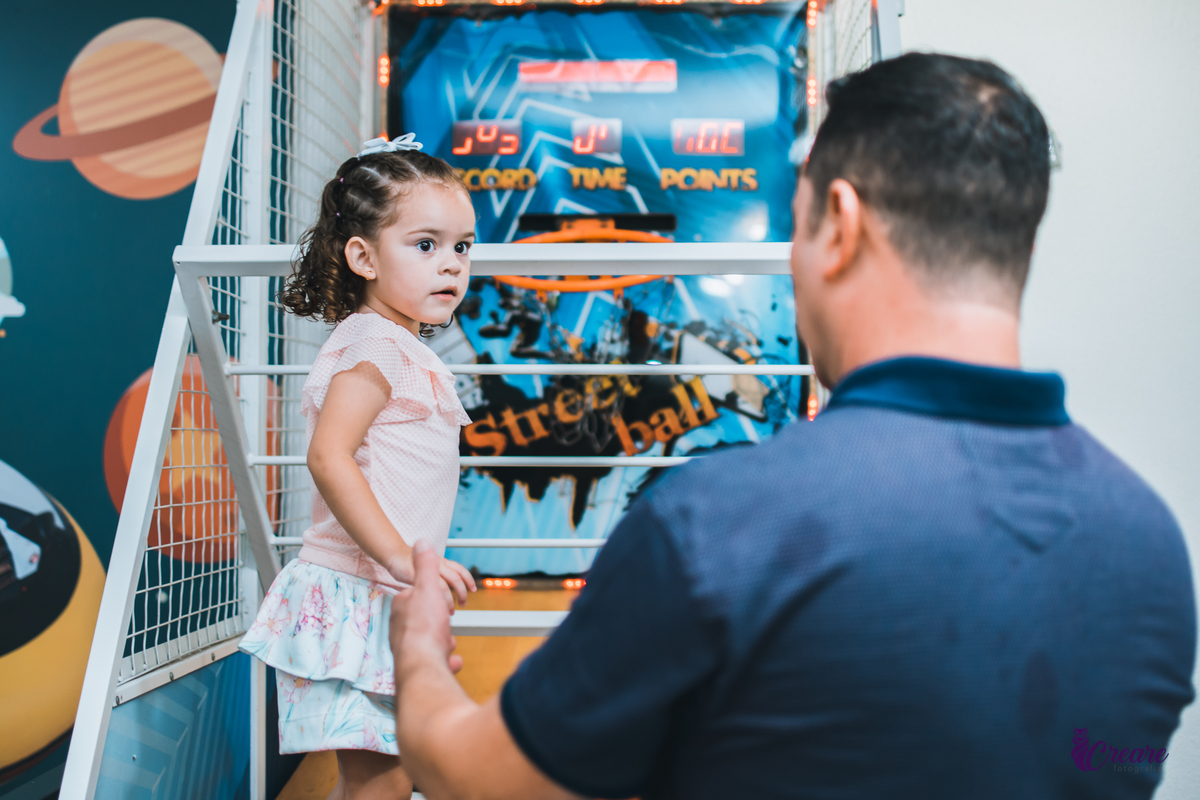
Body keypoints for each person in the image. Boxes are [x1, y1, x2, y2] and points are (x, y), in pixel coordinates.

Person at [390, 53, 1197, 800]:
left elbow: (471, 772)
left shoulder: (715, 523)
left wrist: (418, 645)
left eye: (799, 223)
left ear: (840, 224)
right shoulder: (1151, 548)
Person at [239, 134, 478, 800]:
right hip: (361, 593)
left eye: (463, 247)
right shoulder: (376, 343)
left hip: (379, 593)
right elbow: (328, 456)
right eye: (426, 245)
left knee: (389, 778)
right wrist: (402, 559)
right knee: (384, 780)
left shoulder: (392, 343)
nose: (452, 265)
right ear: (363, 256)